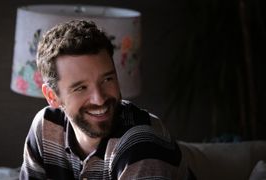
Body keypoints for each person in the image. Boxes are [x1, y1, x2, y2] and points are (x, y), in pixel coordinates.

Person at [20, 19, 193, 180]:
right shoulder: (46, 127)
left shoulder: (141, 143)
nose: (99, 99)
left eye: (107, 79)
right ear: (52, 97)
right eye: (81, 88)